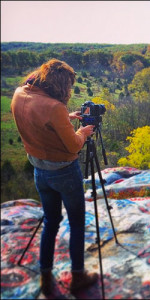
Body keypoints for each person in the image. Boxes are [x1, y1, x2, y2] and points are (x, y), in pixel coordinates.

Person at [11, 59, 98, 295]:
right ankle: (77, 277)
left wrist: (65, 119)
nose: (68, 91)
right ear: (60, 84)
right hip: (64, 172)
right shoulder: (54, 107)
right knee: (77, 221)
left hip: (39, 170)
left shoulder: (19, 94)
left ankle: (45, 276)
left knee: (50, 222)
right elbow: (73, 147)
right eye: (68, 86)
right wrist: (83, 131)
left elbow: (39, 121)